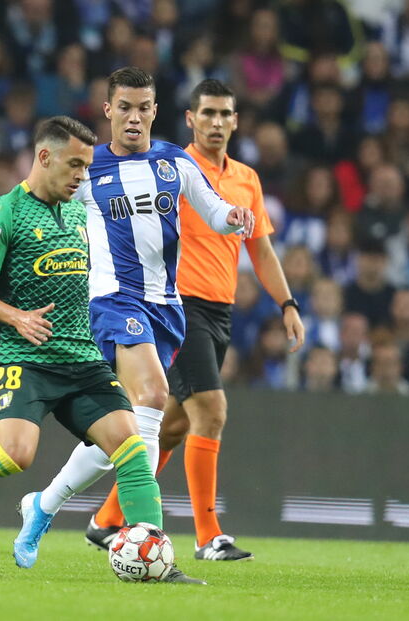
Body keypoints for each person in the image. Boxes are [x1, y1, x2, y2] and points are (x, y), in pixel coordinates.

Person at [0, 116, 201, 584]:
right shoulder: (3, 213)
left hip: (83, 358)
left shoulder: (82, 211)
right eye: (74, 165)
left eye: (87, 167)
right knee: (16, 455)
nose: (81, 176)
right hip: (24, 357)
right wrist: (16, 316)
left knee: (130, 447)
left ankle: (154, 557)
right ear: (44, 157)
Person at [14, 68, 256, 566]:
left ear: (154, 112)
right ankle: (145, 534)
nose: (134, 116)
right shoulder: (88, 168)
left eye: (143, 107)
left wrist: (233, 217)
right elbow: (38, 204)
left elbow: (212, 211)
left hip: (167, 308)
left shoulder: (174, 162)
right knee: (153, 395)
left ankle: (43, 505)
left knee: (119, 433)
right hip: (112, 302)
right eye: (124, 107)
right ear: (107, 111)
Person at [77, 79, 304, 561]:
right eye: (208, 114)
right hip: (175, 303)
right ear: (188, 119)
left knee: (177, 424)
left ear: (236, 120)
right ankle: (208, 536)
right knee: (212, 411)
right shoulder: (163, 166)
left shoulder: (246, 179)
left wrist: (287, 304)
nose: (217, 123)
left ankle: (106, 520)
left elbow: (258, 246)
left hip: (218, 309)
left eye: (225, 114)